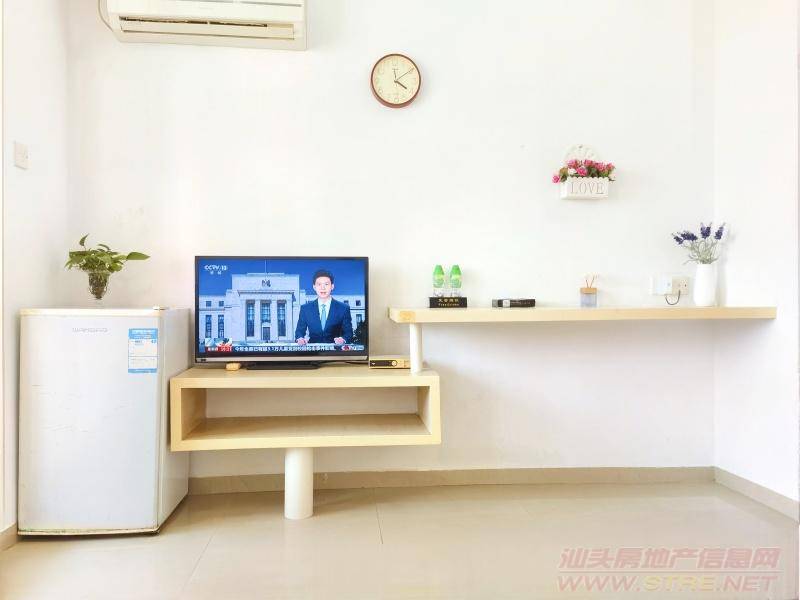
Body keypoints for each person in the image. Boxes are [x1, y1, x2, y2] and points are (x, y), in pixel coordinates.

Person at [295, 269, 353, 345]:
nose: (323, 288)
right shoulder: (305, 309)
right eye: (319, 284)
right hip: (313, 351)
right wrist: (300, 339)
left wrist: (343, 339)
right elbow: (299, 332)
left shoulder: (343, 308)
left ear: (332, 286)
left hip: (336, 350)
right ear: (314, 287)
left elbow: (348, 333)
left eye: (326, 284)